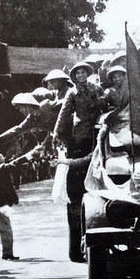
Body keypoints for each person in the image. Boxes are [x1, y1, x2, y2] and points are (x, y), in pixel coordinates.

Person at [53, 61, 103, 262]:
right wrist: (57, 134)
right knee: (76, 198)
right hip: (80, 138)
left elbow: (106, 105)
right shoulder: (72, 93)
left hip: (99, 134)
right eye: (77, 73)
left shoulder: (96, 89)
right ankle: (75, 251)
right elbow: (64, 114)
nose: (81, 76)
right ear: (73, 77)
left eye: (84, 73)